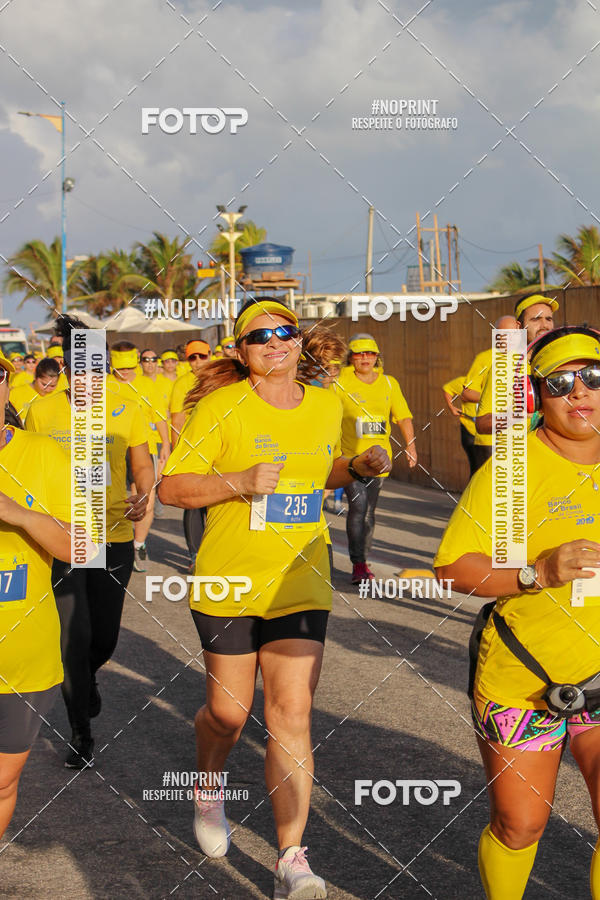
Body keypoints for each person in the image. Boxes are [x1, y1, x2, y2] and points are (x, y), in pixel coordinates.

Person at [159, 297, 390, 899]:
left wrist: (358, 467)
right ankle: (208, 786)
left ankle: (292, 855)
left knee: (290, 712)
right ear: (241, 350)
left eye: (285, 332)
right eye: (260, 336)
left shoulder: (327, 403)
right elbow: (172, 488)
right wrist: (238, 482)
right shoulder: (219, 406)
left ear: (298, 341)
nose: (276, 342)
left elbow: (323, 471)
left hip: (300, 578)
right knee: (230, 714)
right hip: (229, 580)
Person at [435, 325, 600, 899]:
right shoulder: (512, 471)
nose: (579, 392)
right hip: (525, 674)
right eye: (561, 382)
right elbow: (455, 568)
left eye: (594, 377)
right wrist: (538, 572)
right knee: (520, 824)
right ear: (538, 394)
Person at [26, 317, 153, 768]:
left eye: (94, 369)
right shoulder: (42, 411)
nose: (86, 379)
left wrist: (144, 493)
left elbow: (142, 463)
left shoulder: (127, 408)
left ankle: (88, 679)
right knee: (72, 639)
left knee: (104, 638)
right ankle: (82, 731)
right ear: (65, 369)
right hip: (61, 538)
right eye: (77, 369)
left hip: (112, 536)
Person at [0, 349, 78, 834]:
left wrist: (21, 514)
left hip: (23, 655)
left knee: (3, 781)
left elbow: (80, 547)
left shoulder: (44, 454)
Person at [331, 333, 416, 583]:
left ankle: (363, 559)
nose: (365, 358)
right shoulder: (339, 382)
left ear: (377, 357)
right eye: (359, 353)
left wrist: (411, 447)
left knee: (369, 511)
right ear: (351, 357)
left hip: (379, 461)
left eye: (370, 353)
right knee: (358, 507)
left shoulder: (389, 384)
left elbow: (403, 417)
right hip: (349, 459)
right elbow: (327, 415)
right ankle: (358, 565)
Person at [109, 341, 170, 571]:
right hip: (111, 448)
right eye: (120, 368)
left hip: (145, 448)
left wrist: (165, 445)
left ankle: (139, 544)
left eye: (128, 367)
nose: (125, 373)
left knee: (146, 498)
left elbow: (159, 417)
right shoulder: (104, 384)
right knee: (109, 498)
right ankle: (106, 543)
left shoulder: (147, 385)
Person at [461, 315, 521, 472]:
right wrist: (496, 397)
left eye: (512, 334)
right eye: (502, 334)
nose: (508, 339)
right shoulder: (485, 358)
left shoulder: (527, 359)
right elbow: (466, 393)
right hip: (490, 439)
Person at [441, 374, 478, 478]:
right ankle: (474, 492)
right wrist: (451, 407)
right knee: (477, 468)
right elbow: (447, 388)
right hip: (470, 431)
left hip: (491, 434)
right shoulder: (467, 382)